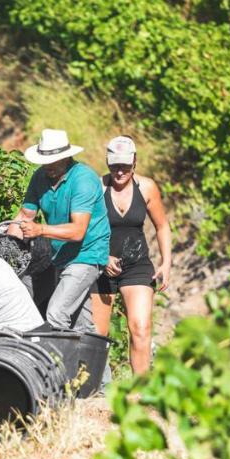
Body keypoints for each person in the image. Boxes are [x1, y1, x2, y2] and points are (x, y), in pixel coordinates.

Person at [9, 128, 111, 332]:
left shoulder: (83, 179)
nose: (48, 166)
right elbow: (24, 216)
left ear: (67, 157)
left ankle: (56, 364)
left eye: (54, 161)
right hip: (62, 255)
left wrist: (40, 230)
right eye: (45, 161)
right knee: (81, 325)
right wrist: (6, 243)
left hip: (87, 254)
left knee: (56, 314)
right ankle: (95, 364)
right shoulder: (40, 177)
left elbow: (78, 231)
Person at [89, 136, 172, 374]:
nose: (119, 171)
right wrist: (102, 257)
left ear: (135, 162)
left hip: (136, 265)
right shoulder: (97, 187)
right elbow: (83, 229)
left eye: (125, 165)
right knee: (98, 334)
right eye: (115, 164)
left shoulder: (146, 187)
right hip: (100, 265)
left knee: (141, 327)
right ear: (107, 161)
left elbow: (162, 226)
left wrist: (166, 263)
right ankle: (96, 391)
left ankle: (140, 390)